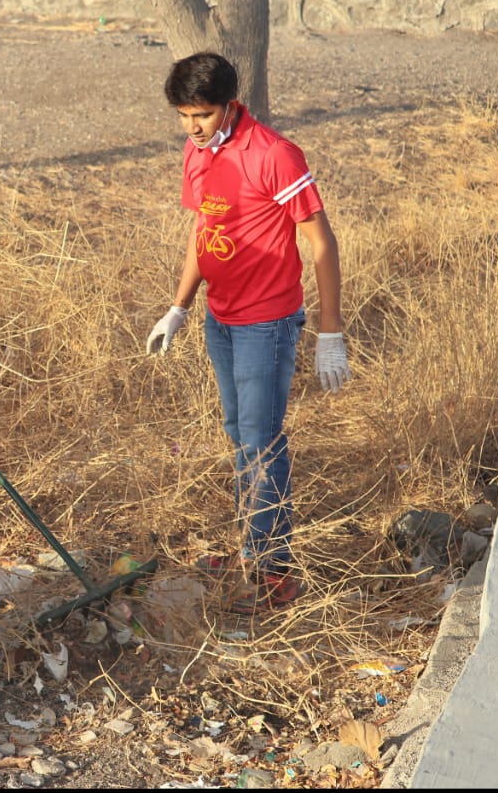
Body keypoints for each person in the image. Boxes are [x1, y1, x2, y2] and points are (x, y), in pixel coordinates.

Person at [145, 52, 352, 615]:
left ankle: (273, 568)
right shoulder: (197, 151)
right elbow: (202, 227)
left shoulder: (276, 155)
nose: (192, 127)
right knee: (240, 431)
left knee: (262, 439)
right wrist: (180, 306)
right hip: (222, 317)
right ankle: (251, 548)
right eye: (184, 115)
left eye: (203, 115)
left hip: (268, 321)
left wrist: (330, 332)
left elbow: (321, 243)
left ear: (231, 104)